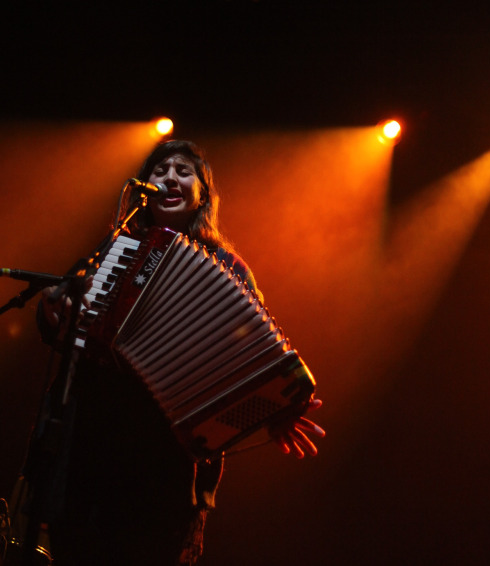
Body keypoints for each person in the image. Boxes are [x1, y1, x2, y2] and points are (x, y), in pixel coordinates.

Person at [34, 140, 324, 565]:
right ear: (144, 188)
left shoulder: (229, 266)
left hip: (168, 465)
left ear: (203, 195)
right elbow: (70, 334)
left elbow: (254, 357)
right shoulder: (113, 252)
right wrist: (51, 314)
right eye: (160, 170)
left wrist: (273, 410)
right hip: (93, 454)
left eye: (184, 170)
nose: (170, 177)